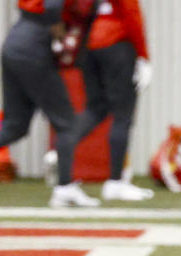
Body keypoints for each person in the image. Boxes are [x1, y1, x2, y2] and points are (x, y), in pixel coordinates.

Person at [0, 0, 101, 208]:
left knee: (14, 125)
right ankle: (65, 188)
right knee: (67, 123)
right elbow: (53, 6)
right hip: (36, 45)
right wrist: (59, 30)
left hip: (16, 41)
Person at [59, 0, 153, 201]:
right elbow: (131, 14)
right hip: (116, 43)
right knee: (123, 114)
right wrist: (143, 55)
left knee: (95, 109)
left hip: (90, 45)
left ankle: (64, 144)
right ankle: (115, 182)